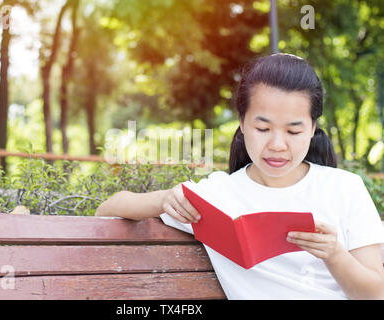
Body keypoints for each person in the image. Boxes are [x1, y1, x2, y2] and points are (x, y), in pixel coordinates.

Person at [95, 53, 384, 299]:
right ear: (243, 123)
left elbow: (376, 292)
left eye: (293, 131)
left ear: (312, 128)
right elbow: (107, 210)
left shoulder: (344, 187)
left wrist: (334, 254)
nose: (277, 144)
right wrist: (165, 199)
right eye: (263, 128)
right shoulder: (218, 195)